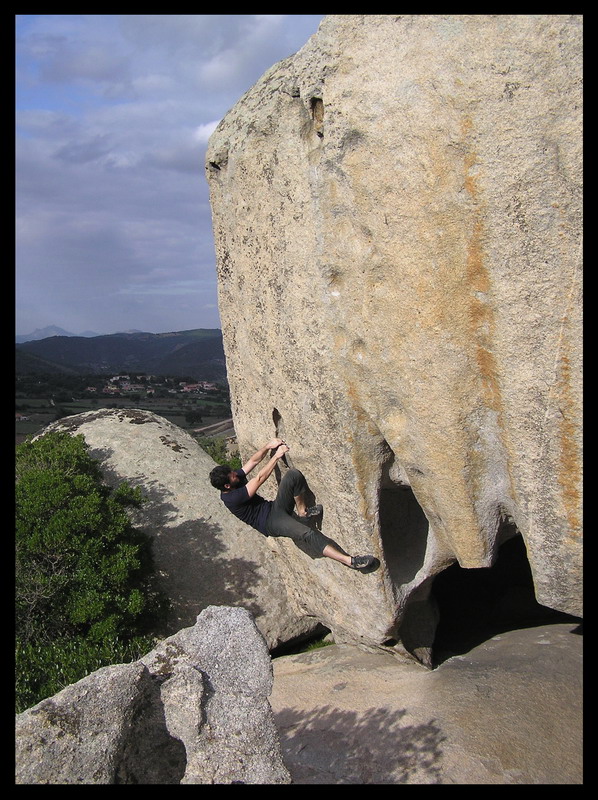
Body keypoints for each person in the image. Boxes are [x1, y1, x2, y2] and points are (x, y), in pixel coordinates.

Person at [209, 437, 378, 571]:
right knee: (307, 533)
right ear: (227, 486)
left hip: (274, 507)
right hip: (270, 523)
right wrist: (276, 456)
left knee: (293, 475)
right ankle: (350, 561)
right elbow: (259, 478)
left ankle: (303, 513)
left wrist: (268, 446)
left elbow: (252, 462)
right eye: (232, 476)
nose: (235, 474)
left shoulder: (232, 481)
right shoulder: (232, 498)